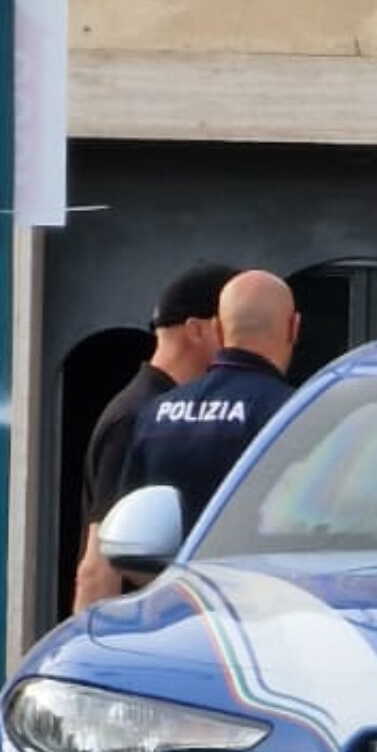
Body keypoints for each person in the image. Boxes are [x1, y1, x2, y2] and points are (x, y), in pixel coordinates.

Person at [72, 261, 238, 613]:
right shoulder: (135, 418)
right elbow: (98, 567)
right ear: (197, 330)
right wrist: (95, 643)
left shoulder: (161, 411)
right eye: (231, 327)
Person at [119, 268, 302, 538]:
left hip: (175, 566)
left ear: (217, 329)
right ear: (294, 327)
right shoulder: (296, 413)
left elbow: (128, 529)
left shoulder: (155, 414)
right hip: (257, 564)